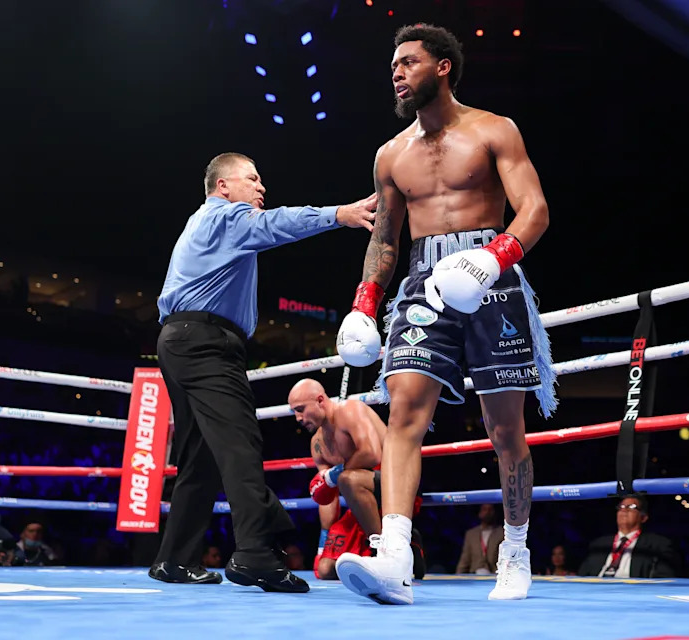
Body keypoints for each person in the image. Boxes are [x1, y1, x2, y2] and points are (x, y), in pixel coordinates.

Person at [334, 24, 555, 604]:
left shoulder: (493, 129)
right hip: (424, 282)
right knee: (404, 413)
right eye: (393, 66)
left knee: (504, 428)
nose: (397, 73)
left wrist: (494, 257)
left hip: (491, 276)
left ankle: (514, 551)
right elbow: (385, 239)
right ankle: (394, 559)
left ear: (443, 67)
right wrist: (364, 303)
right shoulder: (390, 155)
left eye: (408, 62)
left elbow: (534, 210)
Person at [149, 152, 377, 593]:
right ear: (223, 187)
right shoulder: (225, 217)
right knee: (240, 443)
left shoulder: (202, 221)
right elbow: (278, 223)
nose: (261, 187)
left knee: (200, 455)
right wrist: (339, 214)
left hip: (180, 340)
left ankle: (174, 559)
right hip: (206, 343)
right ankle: (254, 554)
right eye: (251, 179)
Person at [287, 378, 424, 580]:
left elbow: (372, 453)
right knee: (326, 570)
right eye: (294, 412)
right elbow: (328, 497)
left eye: (301, 409)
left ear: (320, 400)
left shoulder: (349, 410)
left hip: (396, 486)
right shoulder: (317, 444)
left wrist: (335, 474)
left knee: (347, 479)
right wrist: (323, 541)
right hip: (362, 503)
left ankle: (386, 553)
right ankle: (403, 545)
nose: (298, 417)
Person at [577, 495, 680, 579]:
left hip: (632, 592)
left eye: (631, 507)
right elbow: (582, 575)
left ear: (643, 517)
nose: (624, 510)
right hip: (596, 589)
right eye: (621, 507)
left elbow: (664, 579)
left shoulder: (658, 544)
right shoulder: (599, 544)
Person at [455, 504, 504, 575]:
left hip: (495, 575)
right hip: (474, 575)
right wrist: (457, 577)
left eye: (490, 510)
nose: (487, 512)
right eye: (484, 509)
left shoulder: (503, 533)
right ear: (480, 512)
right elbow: (465, 559)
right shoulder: (471, 534)